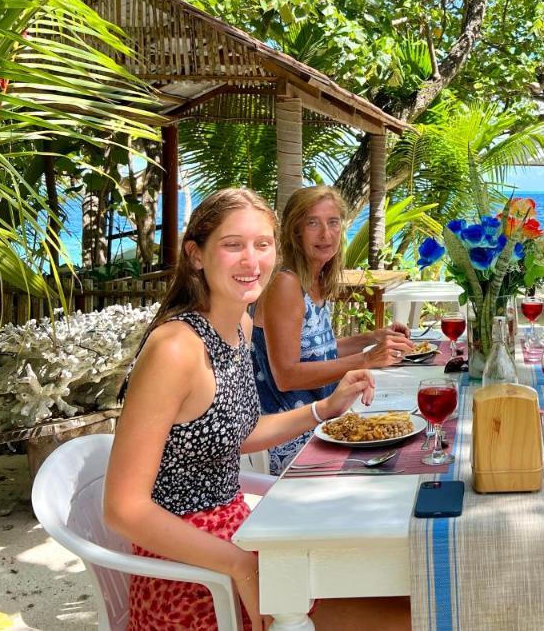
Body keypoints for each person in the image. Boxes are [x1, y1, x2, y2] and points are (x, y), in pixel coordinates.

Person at [103, 188, 408, 630]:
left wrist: (325, 407)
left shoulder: (239, 326)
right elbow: (124, 509)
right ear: (196, 255)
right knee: (405, 615)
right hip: (193, 571)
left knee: (399, 583)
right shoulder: (174, 348)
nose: (252, 261)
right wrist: (242, 566)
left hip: (241, 532)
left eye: (262, 245)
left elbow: (238, 434)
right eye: (233, 245)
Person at [251, 185, 413, 473]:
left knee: (404, 427)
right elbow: (286, 375)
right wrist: (365, 359)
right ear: (295, 231)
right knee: (399, 457)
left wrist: (372, 338)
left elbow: (318, 351)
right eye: (312, 223)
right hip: (294, 439)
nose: (325, 234)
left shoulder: (315, 281)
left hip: (326, 424)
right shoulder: (285, 284)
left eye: (333, 222)